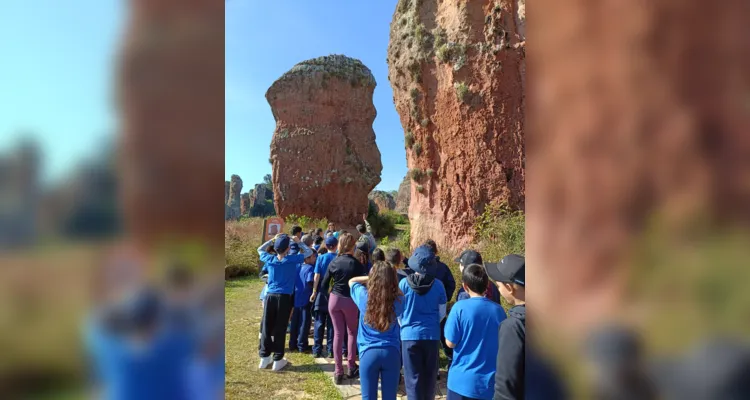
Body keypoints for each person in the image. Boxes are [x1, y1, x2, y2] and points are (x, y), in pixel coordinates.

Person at [444, 264, 507, 400]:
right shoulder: (499, 311)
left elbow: (450, 343)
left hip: (460, 381)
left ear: (465, 286)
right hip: (488, 383)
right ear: (487, 285)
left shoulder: (459, 308)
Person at [257, 233, 313, 372]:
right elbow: (309, 252)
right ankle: (278, 359)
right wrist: (298, 241)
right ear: (288, 248)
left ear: (275, 248)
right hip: (284, 297)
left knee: (266, 326)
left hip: (270, 295)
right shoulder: (293, 260)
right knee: (280, 328)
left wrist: (272, 240)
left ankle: (264, 357)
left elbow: (260, 249)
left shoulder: (269, 259)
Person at [348, 262, 404, 400]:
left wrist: (372, 278)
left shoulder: (363, 297)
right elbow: (401, 293)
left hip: (368, 353)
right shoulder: (398, 301)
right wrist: (388, 281)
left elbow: (351, 281)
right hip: (392, 352)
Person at [399, 245, 447, 400]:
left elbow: (398, 312)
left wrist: (405, 324)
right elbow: (442, 313)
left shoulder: (403, 284)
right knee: (430, 377)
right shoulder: (439, 285)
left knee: (412, 379)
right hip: (431, 335)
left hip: (408, 335)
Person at [321, 232, 366, 384]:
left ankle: (338, 371)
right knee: (352, 333)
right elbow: (363, 284)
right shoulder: (357, 264)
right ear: (353, 246)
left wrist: (329, 297)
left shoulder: (334, 261)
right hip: (350, 300)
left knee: (337, 334)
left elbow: (324, 284)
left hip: (334, 299)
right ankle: (351, 367)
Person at [484, 254, 525, 400]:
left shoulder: (513, 327)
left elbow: (505, 388)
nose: (498, 290)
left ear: (509, 288)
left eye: (499, 285)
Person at [423, 239, 457, 376]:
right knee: (440, 338)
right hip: (439, 308)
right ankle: (443, 367)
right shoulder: (442, 267)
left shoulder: (421, 267)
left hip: (424, 307)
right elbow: (452, 284)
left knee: (428, 339)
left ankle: (430, 368)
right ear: (436, 251)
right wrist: (446, 298)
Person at [310, 235, 338, 358]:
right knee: (332, 323)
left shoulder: (321, 258)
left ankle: (317, 349)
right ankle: (331, 349)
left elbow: (316, 276)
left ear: (326, 246)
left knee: (319, 322)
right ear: (337, 246)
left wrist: (314, 291)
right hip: (334, 292)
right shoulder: (338, 258)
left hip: (322, 291)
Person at [289, 252, 315, 353]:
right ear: (307, 258)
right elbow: (310, 281)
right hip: (305, 297)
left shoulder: (297, 267)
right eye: (313, 257)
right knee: (304, 322)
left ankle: (292, 343)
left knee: (295, 321)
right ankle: (302, 345)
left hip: (296, 297)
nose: (315, 258)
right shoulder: (309, 268)